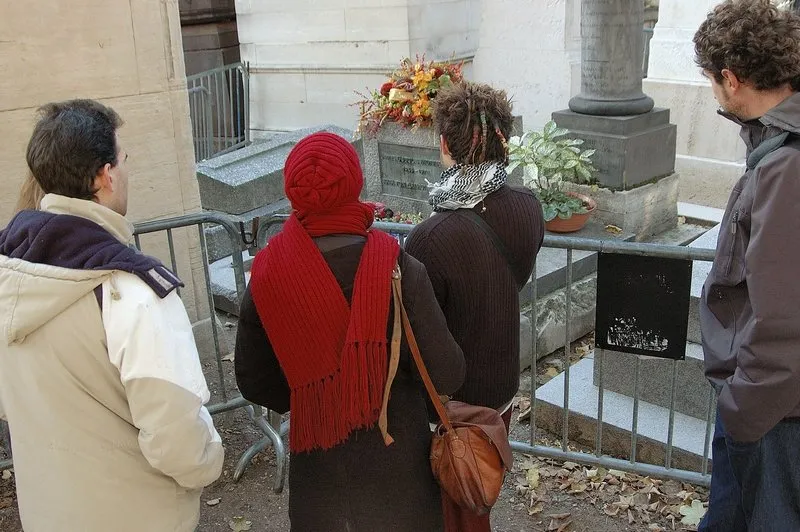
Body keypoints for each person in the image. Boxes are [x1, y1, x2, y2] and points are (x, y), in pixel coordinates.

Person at [0, 99, 224, 531]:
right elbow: (176, 439)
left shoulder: (10, 275)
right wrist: (209, 456)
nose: (127, 170)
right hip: (134, 515)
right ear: (105, 175)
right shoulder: (133, 291)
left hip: (48, 512)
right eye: (123, 159)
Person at [234, 131, 465, 531]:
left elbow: (254, 382)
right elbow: (448, 373)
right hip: (400, 480)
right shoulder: (399, 269)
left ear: (293, 191)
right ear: (355, 185)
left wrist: (314, 391)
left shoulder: (268, 275)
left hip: (320, 488)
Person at [404, 82, 545, 531]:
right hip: (500, 379)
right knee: (477, 486)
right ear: (503, 137)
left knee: (456, 500)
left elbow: (426, 329)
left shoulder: (430, 237)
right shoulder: (527, 207)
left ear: (445, 145)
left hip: (453, 401)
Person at [694, 1, 800, 530]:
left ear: (730, 79)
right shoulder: (776, 149)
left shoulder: (786, 167)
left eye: (712, 80)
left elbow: (782, 319)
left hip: (774, 417)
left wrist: (743, 412)